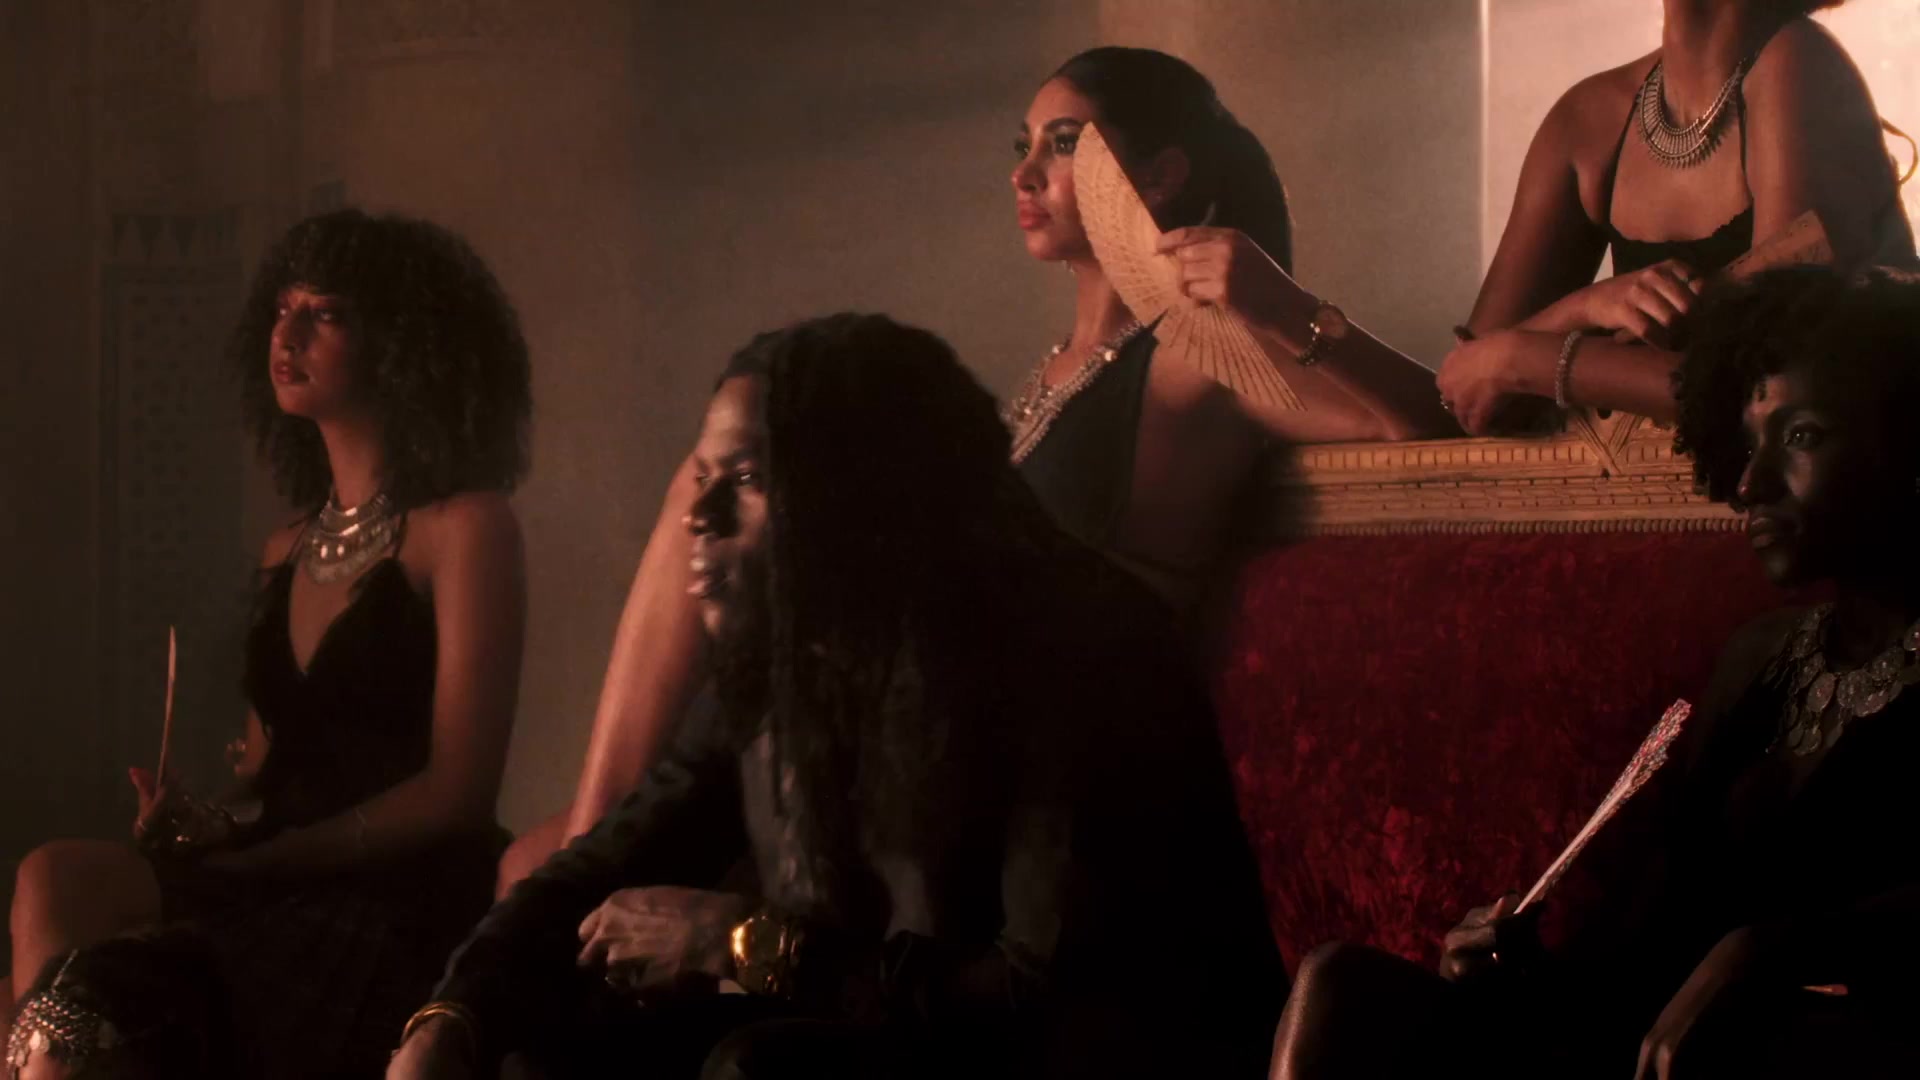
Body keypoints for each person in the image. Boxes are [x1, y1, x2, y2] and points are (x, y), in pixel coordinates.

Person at [491, 43, 1450, 898]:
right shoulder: (1049, 374)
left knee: (556, 865)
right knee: (723, 484)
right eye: (1022, 145)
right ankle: (602, 839)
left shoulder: (1193, 355)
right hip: (934, 702)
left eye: (1062, 144)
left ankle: (600, 846)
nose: (1023, 172)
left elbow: (1423, 430)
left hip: (1032, 749)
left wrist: (1283, 304)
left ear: (1161, 172)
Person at [389, 313, 1284, 1079]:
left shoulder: (1072, 646)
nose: (699, 519)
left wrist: (744, 943)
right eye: (703, 480)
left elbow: (1036, 996)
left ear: (856, 491)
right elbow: (606, 864)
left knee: (762, 1065)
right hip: (887, 1035)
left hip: (1079, 1058)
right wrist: (450, 1018)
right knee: (546, 1047)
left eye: (746, 480)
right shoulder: (797, 652)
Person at [1268, 265, 1920, 1079]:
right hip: (1654, 1052)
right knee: (1340, 988)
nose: (1750, 483)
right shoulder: (1761, 657)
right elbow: (1647, 948)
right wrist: (1521, 966)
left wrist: (1770, 950)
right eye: (1748, 442)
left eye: (1801, 437)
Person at [6, 208, 531, 1078]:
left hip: (396, 887)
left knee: (105, 1008)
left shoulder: (467, 527)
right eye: (284, 308)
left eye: (326, 313)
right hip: (275, 863)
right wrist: (200, 821)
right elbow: (262, 773)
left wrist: (275, 857)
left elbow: (458, 793)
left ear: (402, 344)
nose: (287, 334)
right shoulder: (284, 548)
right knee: (52, 876)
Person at [1436, 0, 1915, 433]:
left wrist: (1524, 359)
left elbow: (1767, 396)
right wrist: (1585, 309)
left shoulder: (1799, 65)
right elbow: (1465, 398)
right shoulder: (1586, 120)